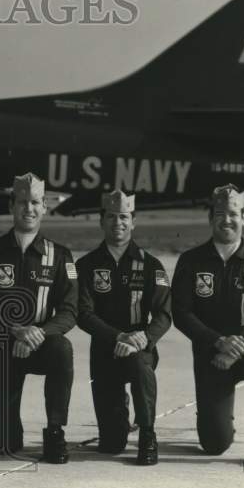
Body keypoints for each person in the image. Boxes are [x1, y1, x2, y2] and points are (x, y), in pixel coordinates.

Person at [171, 184, 244, 467]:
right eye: (220, 214)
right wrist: (218, 342)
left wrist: (238, 344)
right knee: (214, 444)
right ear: (210, 218)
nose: (227, 220)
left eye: (233, 214)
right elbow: (181, 313)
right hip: (212, 357)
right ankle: (218, 420)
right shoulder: (191, 261)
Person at [0, 173, 77, 463]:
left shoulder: (60, 256)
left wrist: (38, 334)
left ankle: (55, 431)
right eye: (22, 202)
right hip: (3, 347)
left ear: (45, 206)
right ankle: (7, 429)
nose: (28, 209)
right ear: (11, 206)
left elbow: (70, 311)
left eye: (35, 203)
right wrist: (15, 330)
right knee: (6, 444)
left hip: (43, 344)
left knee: (63, 349)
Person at [75, 190, 171, 465]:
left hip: (139, 349)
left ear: (133, 222)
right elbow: (83, 313)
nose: (118, 222)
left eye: (124, 217)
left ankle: (148, 434)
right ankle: (119, 416)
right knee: (111, 445)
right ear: (101, 221)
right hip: (105, 352)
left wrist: (142, 338)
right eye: (112, 217)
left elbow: (164, 315)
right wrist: (117, 336)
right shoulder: (86, 266)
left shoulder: (152, 265)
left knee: (140, 367)